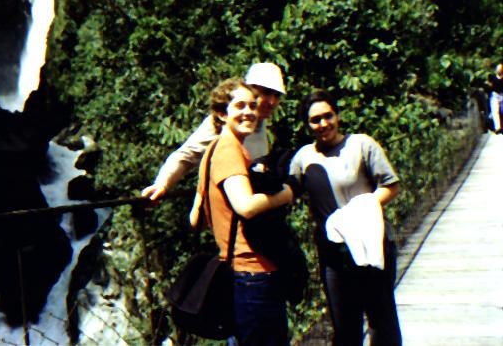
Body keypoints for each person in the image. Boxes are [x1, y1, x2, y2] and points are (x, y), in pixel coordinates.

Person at [289, 90, 402, 346]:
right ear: (307, 125)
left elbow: (391, 185)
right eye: (315, 120)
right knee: (344, 326)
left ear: (337, 116)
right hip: (334, 254)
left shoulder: (361, 145)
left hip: (372, 247)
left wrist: (362, 207)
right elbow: (288, 193)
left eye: (327, 116)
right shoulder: (303, 158)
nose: (323, 124)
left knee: (382, 321)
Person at [190, 78, 294, 346]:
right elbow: (246, 206)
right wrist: (285, 194)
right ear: (222, 114)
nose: (249, 111)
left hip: (236, 270)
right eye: (239, 106)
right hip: (254, 273)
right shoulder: (229, 151)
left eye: (252, 105)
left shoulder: (212, 151)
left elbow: (195, 218)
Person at [141, 62, 286, 200]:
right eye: (267, 93)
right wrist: (162, 184)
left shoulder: (259, 124)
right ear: (251, 90)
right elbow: (186, 156)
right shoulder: (223, 122)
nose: (272, 101)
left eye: (277, 95)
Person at [488, 63, 503, 134]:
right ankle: (498, 127)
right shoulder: (493, 78)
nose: (499, 70)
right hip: (495, 95)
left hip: (502, 95)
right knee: (495, 111)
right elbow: (490, 86)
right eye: (498, 69)